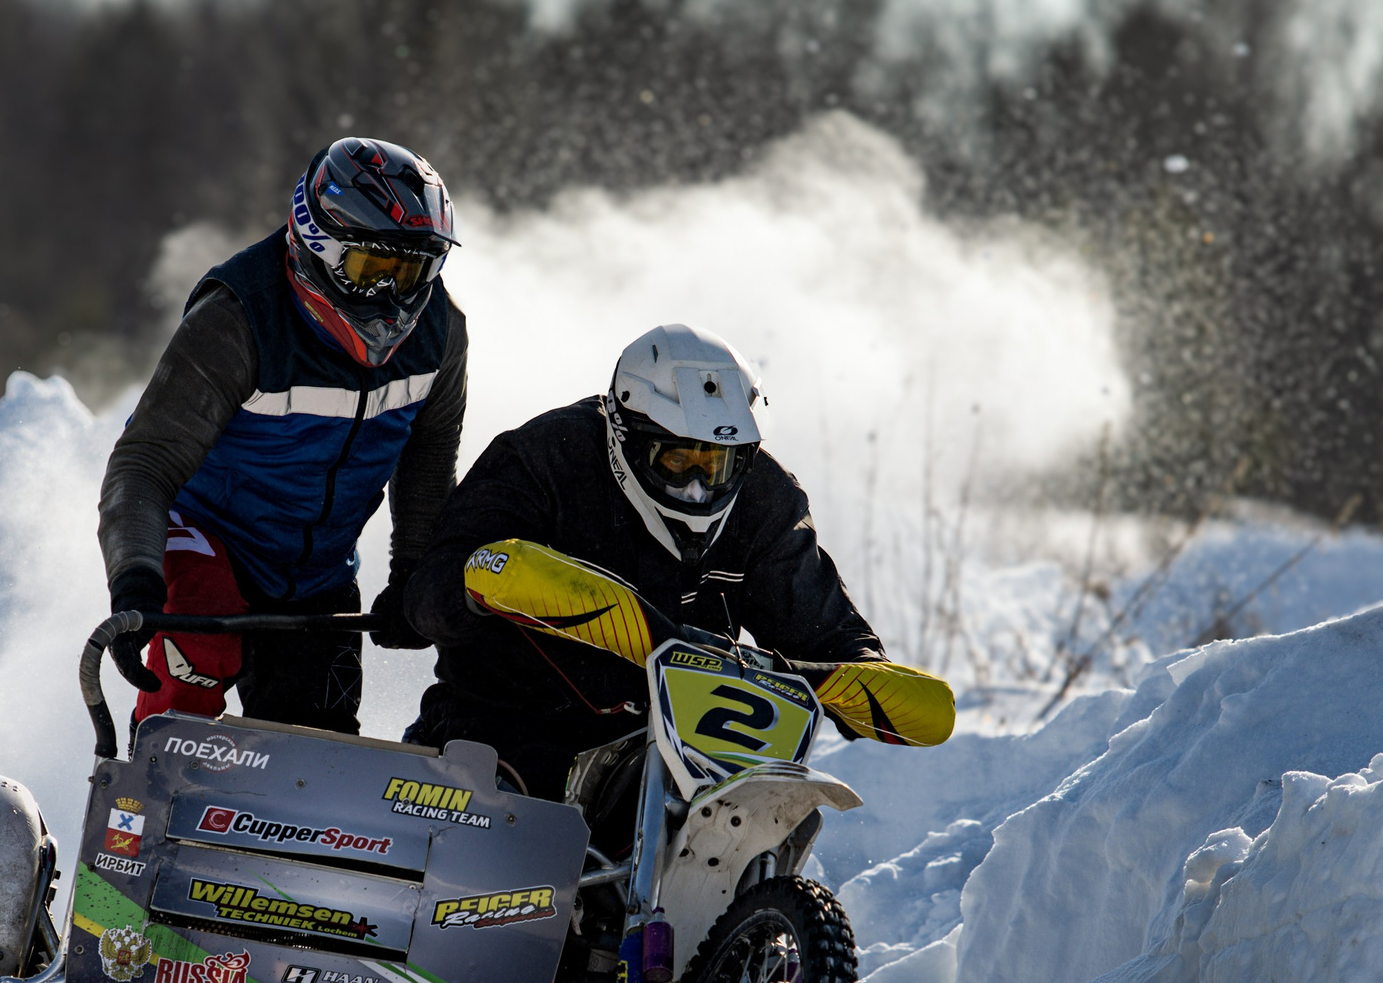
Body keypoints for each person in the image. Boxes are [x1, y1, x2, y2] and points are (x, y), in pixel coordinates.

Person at [401, 322, 935, 799]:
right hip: (505, 726)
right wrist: (485, 580)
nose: (699, 487)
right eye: (678, 460)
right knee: (511, 810)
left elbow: (828, 632)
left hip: (678, 746)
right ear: (626, 435)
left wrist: (864, 675)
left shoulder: (766, 498)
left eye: (717, 464)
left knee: (759, 820)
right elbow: (428, 597)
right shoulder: (541, 457)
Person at [97, 136, 465, 735]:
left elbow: (429, 460)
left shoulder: (443, 332)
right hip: (205, 539)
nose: (392, 298)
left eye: (411, 272)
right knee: (198, 663)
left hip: (319, 572)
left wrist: (413, 575)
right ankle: (146, 784)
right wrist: (135, 581)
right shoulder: (237, 316)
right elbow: (143, 464)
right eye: (372, 269)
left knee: (315, 755)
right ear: (317, 243)